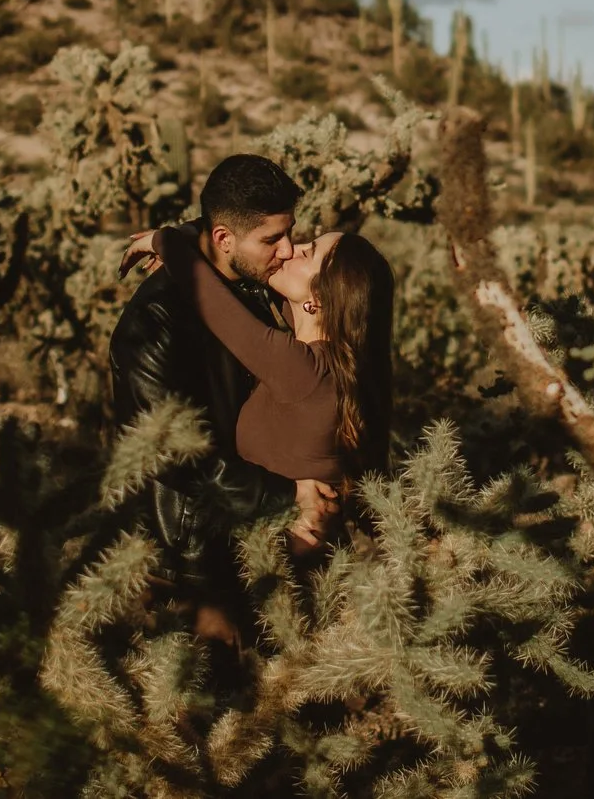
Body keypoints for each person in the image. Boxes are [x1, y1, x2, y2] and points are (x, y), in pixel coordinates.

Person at [107, 154, 311, 632]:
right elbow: (170, 452)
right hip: (192, 547)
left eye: (290, 232)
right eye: (271, 239)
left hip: (260, 526)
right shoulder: (156, 322)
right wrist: (285, 497)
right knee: (210, 692)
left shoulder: (252, 280)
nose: (288, 249)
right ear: (223, 238)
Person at [125, 219, 395, 555]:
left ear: (320, 298)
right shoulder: (336, 368)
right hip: (290, 560)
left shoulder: (302, 369)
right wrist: (201, 237)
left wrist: (167, 241)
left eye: (307, 253)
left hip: (267, 572)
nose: (289, 250)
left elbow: (215, 303)